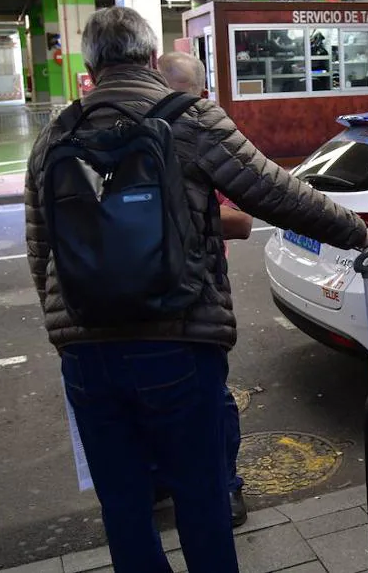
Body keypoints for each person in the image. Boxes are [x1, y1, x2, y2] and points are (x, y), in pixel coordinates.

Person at [25, 7, 368, 573]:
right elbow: (275, 192)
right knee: (201, 496)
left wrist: (65, 326)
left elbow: (40, 244)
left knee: (123, 505)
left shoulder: (56, 133)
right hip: (177, 338)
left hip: (86, 349)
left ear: (90, 64)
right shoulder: (188, 118)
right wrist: (357, 231)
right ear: (150, 58)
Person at [156, 49, 250, 526]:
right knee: (208, 393)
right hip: (193, 293)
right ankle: (218, 487)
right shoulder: (200, 131)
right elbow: (243, 220)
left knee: (182, 392)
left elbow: (241, 221)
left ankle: (201, 484)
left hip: (154, 290)